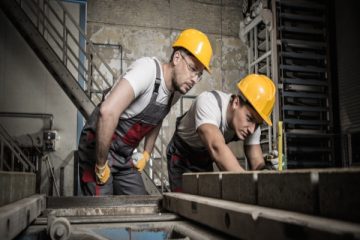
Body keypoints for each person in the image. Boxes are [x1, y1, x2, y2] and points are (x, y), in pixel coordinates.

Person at [78, 28, 213, 195]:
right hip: (98, 149)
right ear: (177, 57)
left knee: (139, 205)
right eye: (193, 69)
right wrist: (100, 165)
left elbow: (158, 119)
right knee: (103, 211)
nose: (194, 79)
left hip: (124, 156)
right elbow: (107, 112)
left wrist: (146, 153)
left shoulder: (176, 92)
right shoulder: (147, 71)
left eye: (199, 75)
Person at [166, 74, 276, 192]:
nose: (252, 129)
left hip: (205, 158)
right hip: (181, 155)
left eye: (258, 124)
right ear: (236, 103)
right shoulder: (209, 102)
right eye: (249, 118)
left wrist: (267, 169)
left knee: (205, 202)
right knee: (183, 203)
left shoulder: (252, 126)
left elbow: (257, 165)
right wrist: (247, 183)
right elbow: (216, 147)